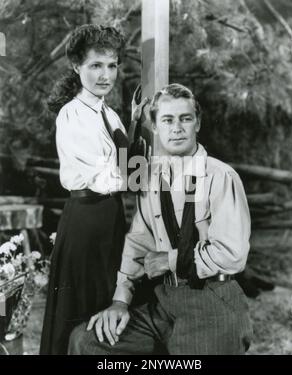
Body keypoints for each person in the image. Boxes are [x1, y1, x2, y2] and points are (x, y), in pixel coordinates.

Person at [68, 83, 253, 355]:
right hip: (164, 302)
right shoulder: (152, 178)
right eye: (167, 120)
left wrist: (169, 260)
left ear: (197, 123)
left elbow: (232, 254)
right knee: (87, 342)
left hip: (213, 300)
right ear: (155, 126)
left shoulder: (220, 176)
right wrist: (120, 301)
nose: (177, 128)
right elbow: (139, 242)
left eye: (185, 119)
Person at [40, 24, 146, 355]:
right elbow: (116, 178)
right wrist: (135, 164)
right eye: (95, 66)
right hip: (86, 221)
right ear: (76, 66)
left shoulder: (108, 113)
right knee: (82, 314)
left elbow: (130, 174)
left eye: (112, 65)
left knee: (108, 308)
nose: (105, 75)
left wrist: (134, 128)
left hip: (109, 217)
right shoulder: (73, 115)